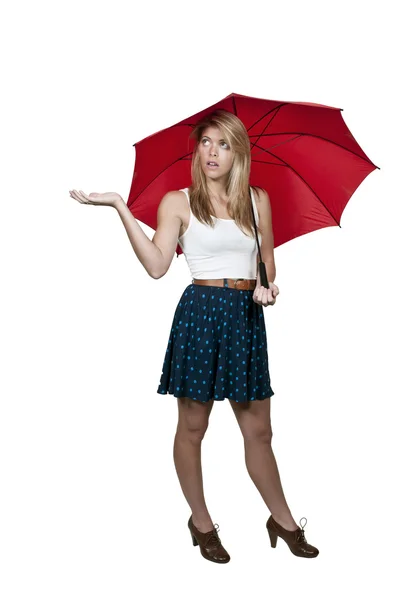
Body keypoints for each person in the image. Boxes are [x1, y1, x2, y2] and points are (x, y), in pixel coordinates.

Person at [69, 109, 319, 564]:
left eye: (223, 144)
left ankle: (282, 521)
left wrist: (267, 288)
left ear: (238, 152)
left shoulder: (257, 199)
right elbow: (157, 266)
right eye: (205, 142)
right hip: (201, 314)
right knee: (193, 425)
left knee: (259, 431)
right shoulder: (177, 202)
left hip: (245, 317)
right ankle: (201, 522)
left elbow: (268, 262)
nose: (212, 152)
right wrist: (120, 208)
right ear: (196, 148)